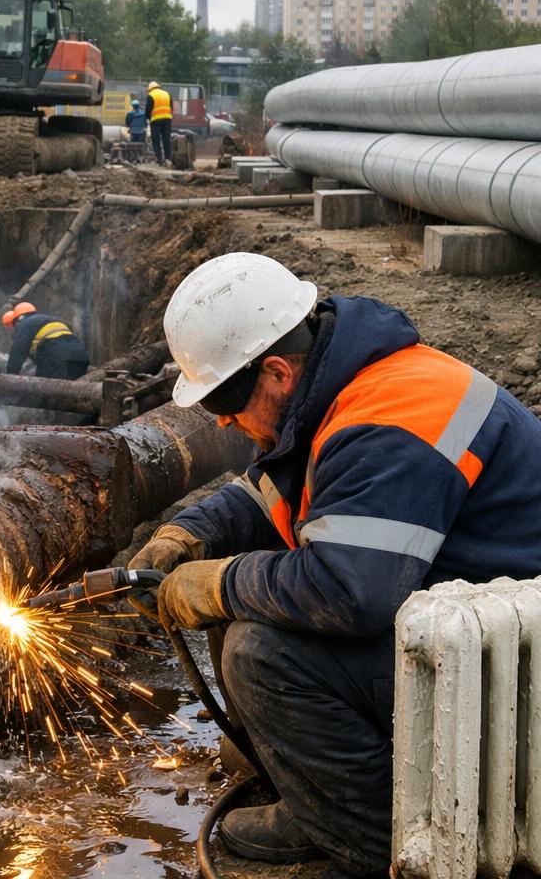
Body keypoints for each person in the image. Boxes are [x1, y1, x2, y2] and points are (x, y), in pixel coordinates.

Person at [129, 252, 541, 879]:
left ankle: (388, 839)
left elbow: (351, 592)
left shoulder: (387, 421)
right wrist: (193, 532)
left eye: (225, 398)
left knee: (259, 650)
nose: (220, 419)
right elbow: (285, 487)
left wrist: (218, 582)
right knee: (247, 590)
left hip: (515, 670)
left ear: (276, 373)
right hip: (475, 623)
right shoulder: (348, 388)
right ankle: (317, 796)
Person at [2, 302, 90, 380]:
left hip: (56, 360)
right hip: (81, 358)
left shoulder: (25, 324)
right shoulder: (50, 319)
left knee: (45, 394)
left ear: (17, 319)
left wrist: (10, 375)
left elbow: (18, 351)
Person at [145, 80, 173, 165]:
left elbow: (148, 109)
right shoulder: (167, 93)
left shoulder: (151, 95)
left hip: (156, 121)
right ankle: (168, 159)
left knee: (156, 140)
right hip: (167, 119)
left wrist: (149, 118)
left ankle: (159, 159)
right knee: (166, 140)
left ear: (150, 89)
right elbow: (171, 106)